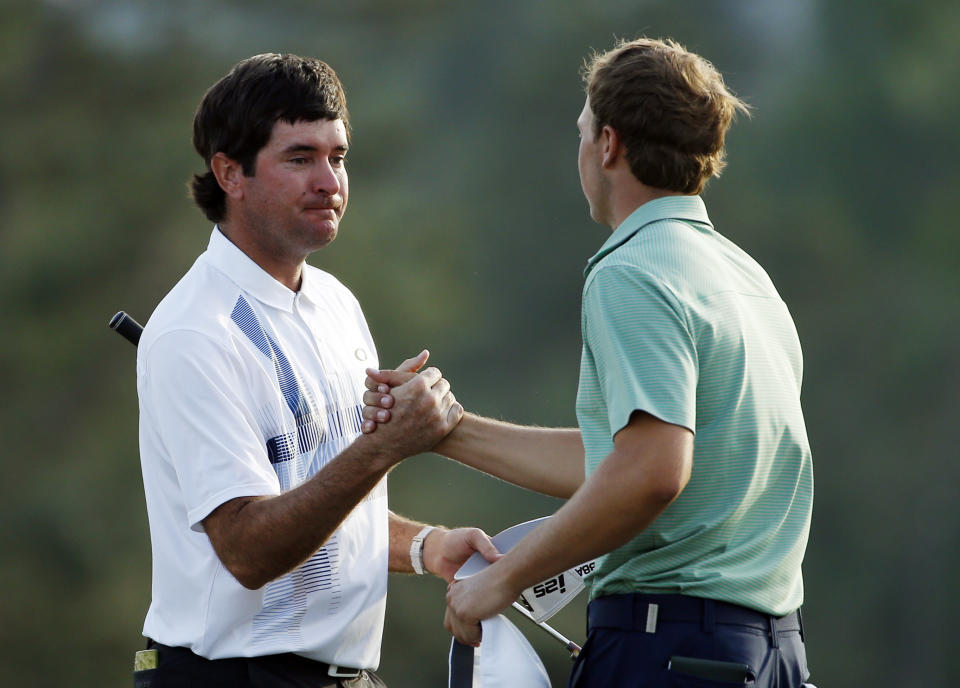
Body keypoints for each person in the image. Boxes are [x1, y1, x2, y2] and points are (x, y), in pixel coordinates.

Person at [364, 37, 814, 686]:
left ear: (608, 144)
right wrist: (448, 430)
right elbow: (624, 459)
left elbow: (653, 471)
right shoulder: (745, 277)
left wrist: (507, 580)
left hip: (670, 647)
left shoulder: (632, 270)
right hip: (768, 653)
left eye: (581, 133)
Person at [135, 53, 498, 687]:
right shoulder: (195, 331)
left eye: (338, 156)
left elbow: (318, 502)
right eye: (300, 158)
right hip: (232, 675)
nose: (329, 182)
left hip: (342, 676)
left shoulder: (334, 302)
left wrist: (423, 545)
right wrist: (384, 449)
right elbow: (249, 550)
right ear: (230, 173)